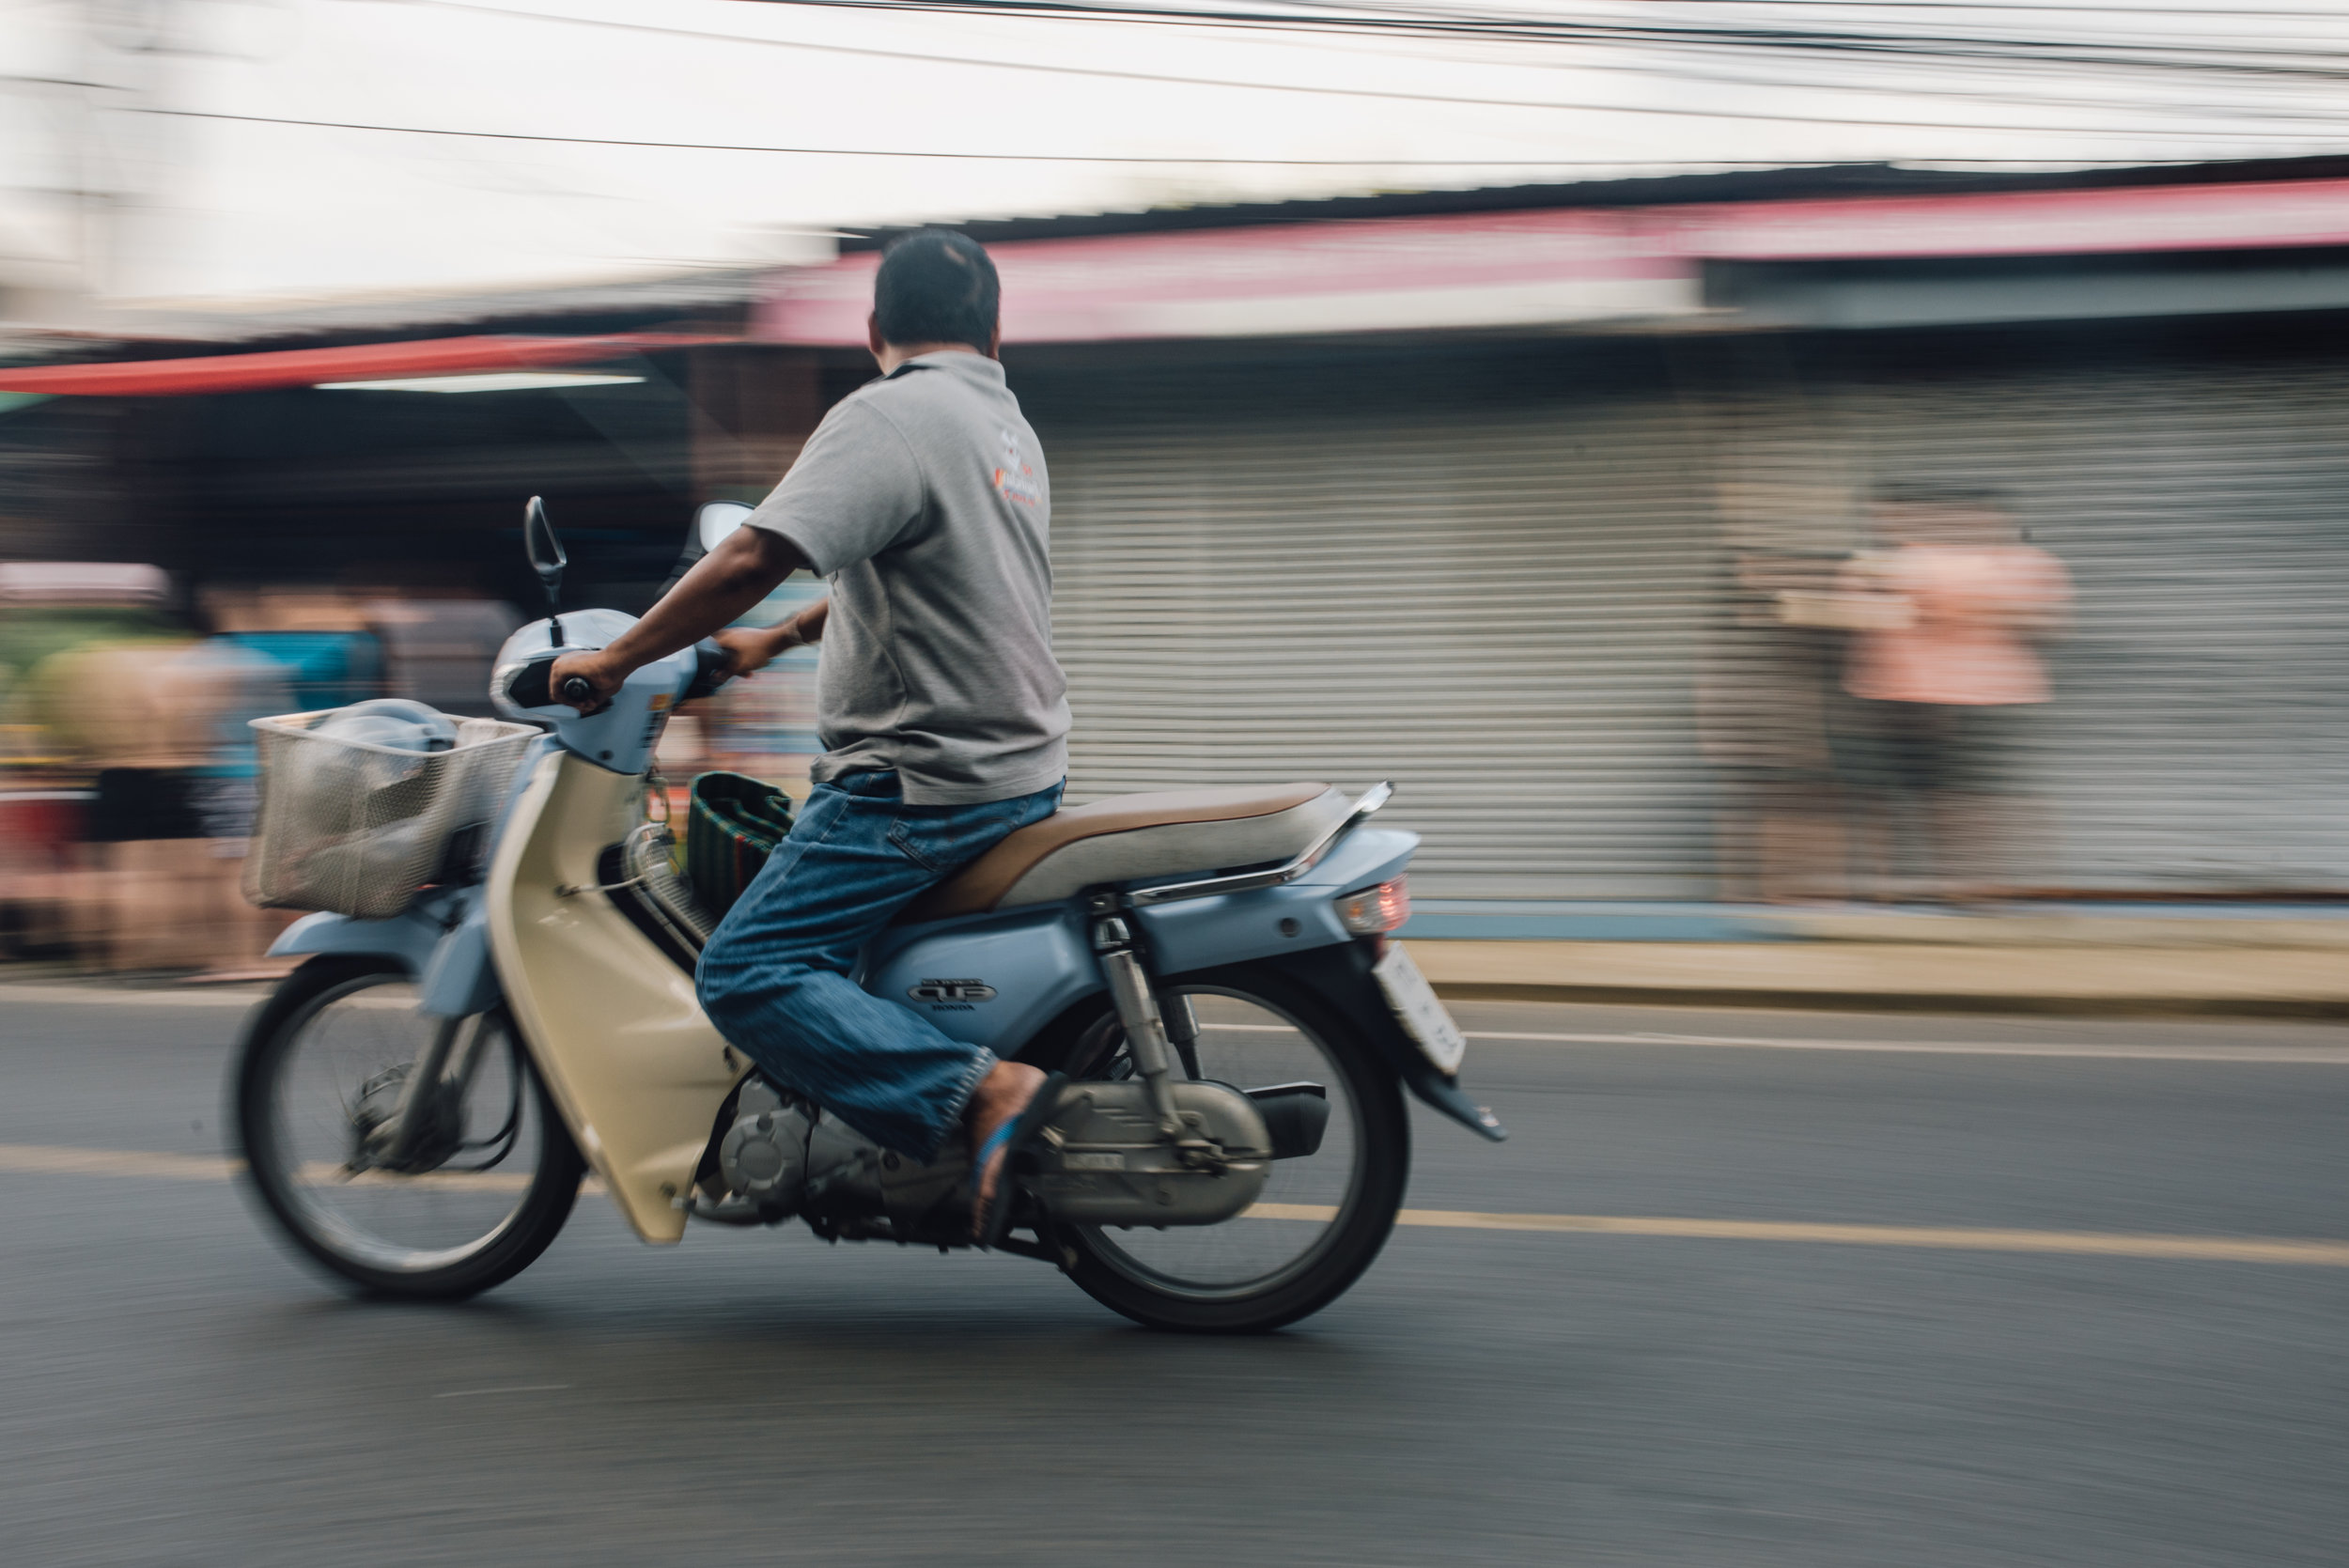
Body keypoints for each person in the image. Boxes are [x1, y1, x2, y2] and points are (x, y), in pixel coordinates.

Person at [549, 229, 1070, 1240]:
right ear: (994, 330)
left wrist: (613, 663)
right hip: (1010, 760)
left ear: (873, 328)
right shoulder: (1002, 427)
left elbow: (751, 553)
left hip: (918, 781)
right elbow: (925, 576)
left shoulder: (889, 415)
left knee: (746, 969)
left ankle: (979, 1091)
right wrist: (778, 637)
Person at [1837, 486, 2071, 899]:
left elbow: (2045, 619)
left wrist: (1942, 598)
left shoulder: (2013, 563)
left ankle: (1975, 883)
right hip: (1897, 694)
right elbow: (1849, 612)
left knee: (1959, 795)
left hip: (1968, 698)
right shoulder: (1886, 562)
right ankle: (1910, 886)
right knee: (1910, 793)